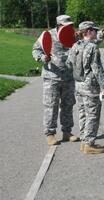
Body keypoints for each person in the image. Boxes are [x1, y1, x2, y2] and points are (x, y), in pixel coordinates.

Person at [32, 15, 78, 146]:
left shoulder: (73, 36)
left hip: (68, 76)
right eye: (66, 25)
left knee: (68, 105)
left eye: (70, 25)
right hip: (51, 77)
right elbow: (35, 50)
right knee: (51, 105)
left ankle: (67, 132)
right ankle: (50, 133)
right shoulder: (48, 35)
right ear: (58, 25)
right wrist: (42, 57)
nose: (69, 27)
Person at [67, 21, 104, 154]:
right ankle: (89, 143)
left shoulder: (75, 45)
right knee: (93, 114)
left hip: (78, 84)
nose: (96, 33)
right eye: (95, 30)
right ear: (89, 31)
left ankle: (84, 141)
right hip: (90, 86)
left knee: (83, 113)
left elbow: (69, 64)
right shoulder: (92, 47)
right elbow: (97, 68)